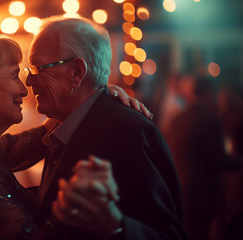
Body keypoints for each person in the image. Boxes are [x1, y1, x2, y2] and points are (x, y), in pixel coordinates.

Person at [0, 33, 149, 239]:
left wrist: (93, 94)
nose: (24, 90)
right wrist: (79, 207)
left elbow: (40, 138)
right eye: (15, 75)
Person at [23, 16, 188, 239]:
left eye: (38, 68)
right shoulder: (65, 127)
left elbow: (170, 234)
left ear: (76, 72)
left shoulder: (130, 132)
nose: (29, 82)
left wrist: (116, 226)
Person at [168, 76, 242, 240]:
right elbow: (218, 159)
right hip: (202, 195)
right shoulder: (209, 120)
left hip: (179, 191)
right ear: (208, 93)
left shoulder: (177, 120)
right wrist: (238, 162)